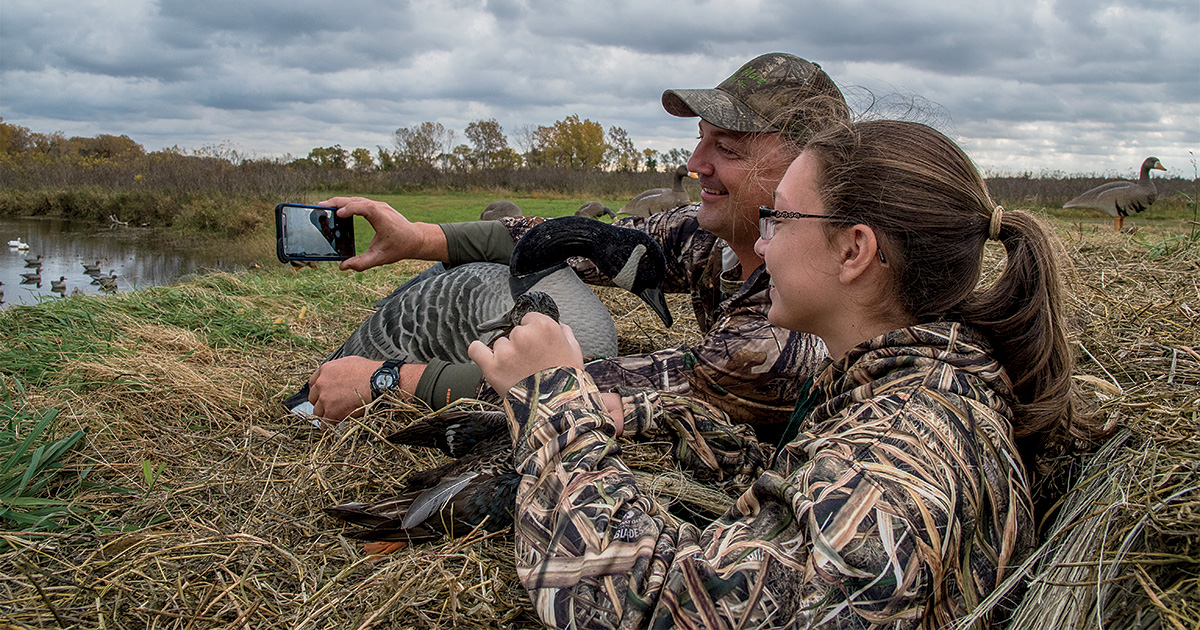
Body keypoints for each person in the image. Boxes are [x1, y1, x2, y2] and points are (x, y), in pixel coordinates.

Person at [468, 119, 1110, 628]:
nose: (763, 242)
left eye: (779, 217)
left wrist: (551, 402)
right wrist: (662, 421)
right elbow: (803, 497)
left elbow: (636, 606)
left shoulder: (892, 468)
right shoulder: (921, 386)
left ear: (855, 250)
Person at [306, 53, 848, 439]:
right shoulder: (713, 234)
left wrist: (386, 380)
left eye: (725, 147)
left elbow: (567, 390)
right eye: (700, 138)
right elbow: (578, 241)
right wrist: (420, 238)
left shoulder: (784, 336)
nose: (694, 164)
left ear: (807, 168)